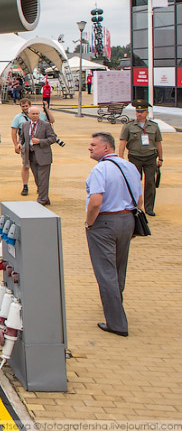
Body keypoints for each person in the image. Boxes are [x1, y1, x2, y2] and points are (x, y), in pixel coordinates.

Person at [85, 131, 143, 337]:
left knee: (105, 272)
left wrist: (89, 223)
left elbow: (96, 201)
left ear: (106, 147)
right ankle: (115, 304)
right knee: (119, 268)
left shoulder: (100, 170)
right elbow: (140, 197)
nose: (90, 148)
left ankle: (117, 323)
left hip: (104, 222)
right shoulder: (130, 167)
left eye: (94, 145)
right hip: (127, 220)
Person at [118, 100, 163, 217]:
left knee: (150, 183)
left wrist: (161, 158)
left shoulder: (154, 126)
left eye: (142, 112)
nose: (139, 114)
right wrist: (120, 158)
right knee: (134, 182)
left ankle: (149, 208)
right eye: (137, 111)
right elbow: (123, 142)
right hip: (135, 157)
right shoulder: (129, 126)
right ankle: (134, 206)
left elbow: (158, 143)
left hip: (150, 157)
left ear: (146, 113)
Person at [21, 106, 58, 205]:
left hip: (43, 155)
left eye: (37, 114)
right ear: (28, 115)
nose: (35, 116)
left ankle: (41, 199)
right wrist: (20, 144)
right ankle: (45, 197)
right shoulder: (25, 125)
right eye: (33, 114)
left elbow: (53, 138)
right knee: (37, 178)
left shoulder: (45, 125)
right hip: (31, 155)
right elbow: (22, 138)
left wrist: (40, 141)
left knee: (43, 179)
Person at [10, 98, 32, 196]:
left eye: (26, 106)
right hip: (24, 145)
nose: (25, 108)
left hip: (37, 145)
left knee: (39, 167)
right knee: (25, 165)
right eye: (23, 106)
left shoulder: (37, 114)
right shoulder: (18, 118)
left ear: (30, 106)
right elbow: (14, 132)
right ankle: (25, 185)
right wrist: (16, 145)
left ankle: (40, 185)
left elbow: (50, 121)